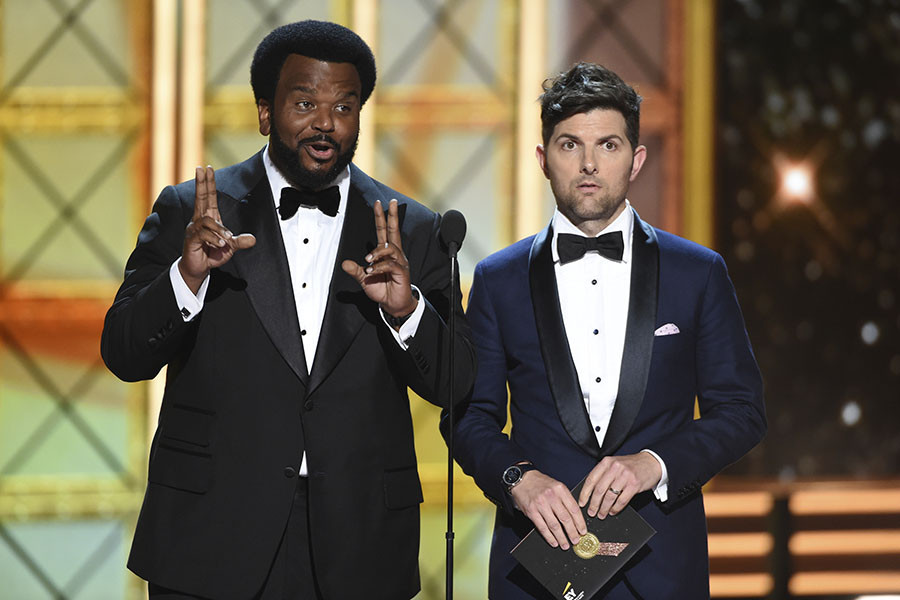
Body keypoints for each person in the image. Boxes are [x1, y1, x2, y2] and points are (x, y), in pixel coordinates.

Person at [101, 20, 475, 600]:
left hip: (359, 545)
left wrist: (407, 312)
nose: (326, 123)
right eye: (305, 103)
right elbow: (124, 353)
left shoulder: (411, 229)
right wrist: (187, 276)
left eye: (344, 106)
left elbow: (458, 383)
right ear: (265, 112)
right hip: (209, 536)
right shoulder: (192, 211)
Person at [448, 62, 766, 599]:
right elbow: (467, 416)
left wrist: (655, 465)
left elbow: (742, 411)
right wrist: (517, 479)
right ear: (543, 160)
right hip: (537, 565)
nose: (589, 163)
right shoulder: (498, 279)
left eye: (609, 145)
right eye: (570, 145)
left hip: (663, 569)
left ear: (636, 159)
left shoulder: (697, 272)